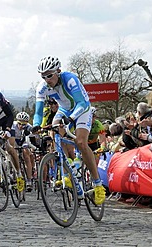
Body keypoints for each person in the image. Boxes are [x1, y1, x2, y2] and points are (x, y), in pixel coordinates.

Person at [32, 56, 106, 205]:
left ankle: (98, 184)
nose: (46, 79)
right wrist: (35, 125)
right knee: (54, 128)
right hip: (65, 109)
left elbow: (81, 103)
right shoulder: (41, 88)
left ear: (58, 71)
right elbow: (39, 113)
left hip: (82, 108)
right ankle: (69, 168)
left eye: (49, 75)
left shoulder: (70, 79)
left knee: (80, 142)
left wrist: (72, 118)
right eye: (43, 76)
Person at [12, 111, 34, 191]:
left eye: (23, 124)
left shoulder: (29, 127)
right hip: (15, 142)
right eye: (19, 124)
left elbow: (31, 140)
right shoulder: (13, 125)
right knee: (12, 154)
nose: (21, 126)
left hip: (24, 141)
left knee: (26, 155)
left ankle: (29, 180)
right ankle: (14, 174)